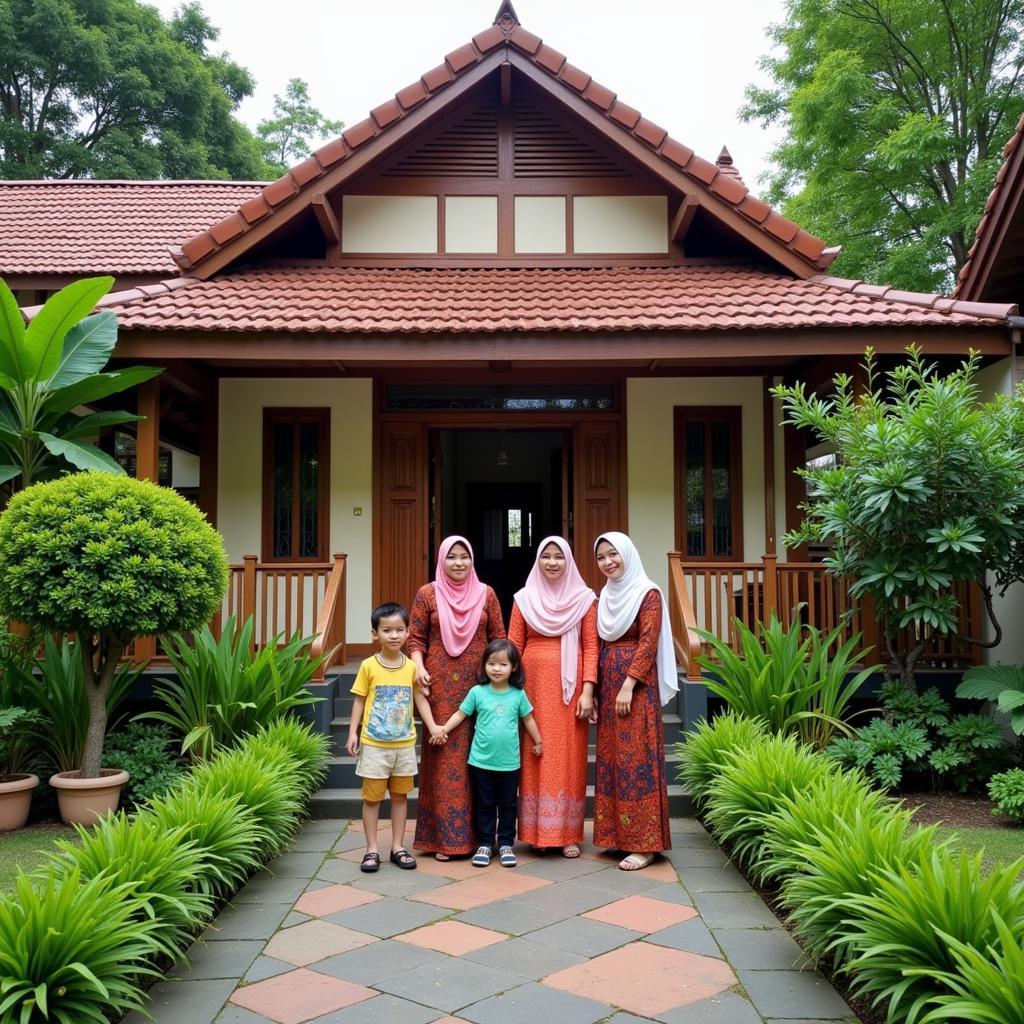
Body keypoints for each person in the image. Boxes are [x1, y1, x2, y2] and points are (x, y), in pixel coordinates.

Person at [409, 535, 505, 860]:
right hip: (439, 686)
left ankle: (483, 838)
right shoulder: (427, 593)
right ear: (441, 560)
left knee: (482, 760)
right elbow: (415, 638)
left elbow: (500, 639)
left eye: (465, 556)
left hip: (481, 684)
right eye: (452, 557)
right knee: (445, 758)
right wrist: (418, 667)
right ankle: (446, 839)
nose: (459, 563)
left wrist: (502, 680)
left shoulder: (487, 594)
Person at [508, 536, 597, 857]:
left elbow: (590, 646)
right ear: (538, 561)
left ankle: (567, 834)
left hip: (569, 691)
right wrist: (507, 688)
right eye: (546, 556)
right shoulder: (523, 599)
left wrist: (588, 690)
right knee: (534, 752)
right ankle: (534, 831)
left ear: (569, 561)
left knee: (568, 756)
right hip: (530, 686)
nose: (552, 562)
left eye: (559, 556)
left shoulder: (584, 599)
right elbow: (513, 645)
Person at [593, 531, 677, 870]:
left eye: (614, 554)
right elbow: (599, 644)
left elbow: (648, 642)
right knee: (613, 760)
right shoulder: (605, 596)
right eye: (601, 557)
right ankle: (617, 837)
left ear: (628, 553)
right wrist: (598, 690)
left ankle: (645, 845)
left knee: (637, 760)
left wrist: (629, 684)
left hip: (636, 687)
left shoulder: (648, 593)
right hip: (608, 681)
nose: (608, 562)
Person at [346, 602, 444, 873]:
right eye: (386, 630)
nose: (393, 635)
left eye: (399, 630)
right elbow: (359, 700)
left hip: (404, 744)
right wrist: (352, 732)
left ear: (408, 632)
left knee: (400, 797)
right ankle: (372, 849)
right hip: (375, 745)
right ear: (374, 633)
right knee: (372, 799)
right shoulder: (368, 666)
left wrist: (433, 726)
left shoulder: (412, 668)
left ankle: (398, 847)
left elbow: (419, 699)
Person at [432, 638, 542, 868]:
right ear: (484, 666)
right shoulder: (477, 692)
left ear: (514, 667)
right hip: (481, 761)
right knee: (484, 804)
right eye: (491, 663)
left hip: (510, 763)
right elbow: (460, 715)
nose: (496, 668)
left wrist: (538, 741)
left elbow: (528, 718)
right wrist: (443, 729)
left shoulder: (517, 694)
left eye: (503, 664)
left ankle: (505, 845)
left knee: (508, 805)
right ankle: (485, 843)